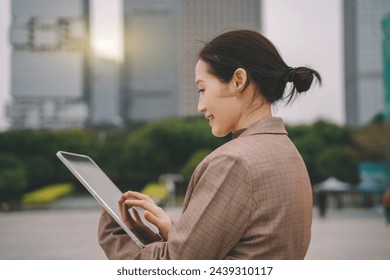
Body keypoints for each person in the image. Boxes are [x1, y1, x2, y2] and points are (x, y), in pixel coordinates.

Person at [98, 29, 321, 259]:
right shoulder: (288, 152)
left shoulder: (233, 162)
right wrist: (177, 230)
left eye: (202, 89)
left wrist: (113, 230)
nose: (200, 106)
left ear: (238, 81)